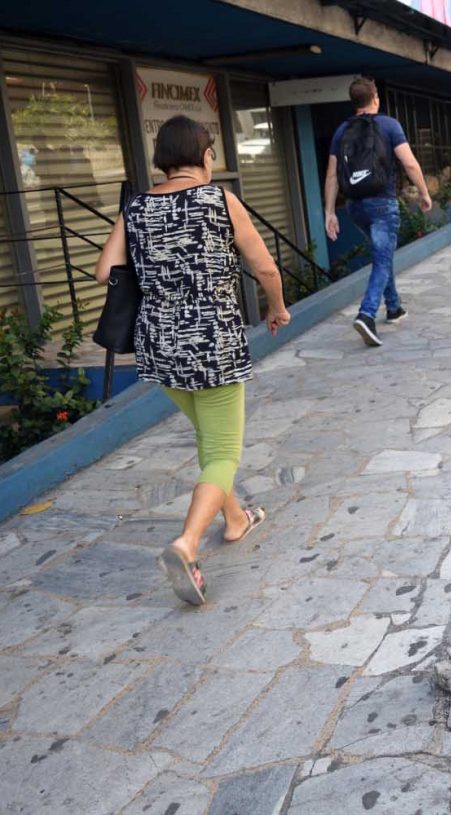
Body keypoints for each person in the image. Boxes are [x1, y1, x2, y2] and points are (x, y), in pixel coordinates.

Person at [95, 115, 291, 606]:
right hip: (214, 343)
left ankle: (236, 520)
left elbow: (104, 272)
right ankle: (186, 544)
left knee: (208, 437)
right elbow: (264, 265)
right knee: (224, 451)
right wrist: (277, 306)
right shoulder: (218, 199)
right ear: (207, 156)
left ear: (161, 159)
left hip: (159, 347)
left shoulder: (135, 207)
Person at [324, 76, 432, 347]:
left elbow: (332, 176)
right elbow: (409, 163)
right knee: (382, 259)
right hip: (383, 203)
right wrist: (424, 192)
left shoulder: (341, 131)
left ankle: (393, 306)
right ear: (376, 99)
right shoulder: (389, 124)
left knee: (383, 254)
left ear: (354, 101)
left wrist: (329, 212)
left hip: (355, 206)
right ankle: (367, 314)